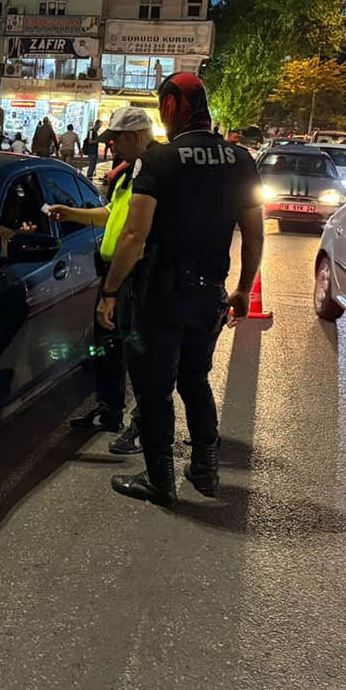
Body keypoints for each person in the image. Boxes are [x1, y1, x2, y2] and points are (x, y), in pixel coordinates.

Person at [99, 73, 264, 507]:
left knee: (155, 388)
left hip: (161, 296)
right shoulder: (240, 159)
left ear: (171, 108)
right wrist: (244, 289)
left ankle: (160, 480)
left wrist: (111, 291)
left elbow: (134, 235)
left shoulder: (161, 161)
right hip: (210, 293)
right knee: (195, 380)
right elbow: (254, 234)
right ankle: (206, 472)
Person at [49, 107, 156, 451]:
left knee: (138, 354)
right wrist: (71, 214)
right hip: (113, 272)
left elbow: (133, 235)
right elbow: (111, 215)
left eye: (118, 141)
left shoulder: (155, 173)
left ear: (138, 136)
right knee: (106, 347)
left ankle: (145, 426)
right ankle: (110, 410)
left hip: (135, 276)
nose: (112, 148)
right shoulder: (129, 173)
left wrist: (112, 291)